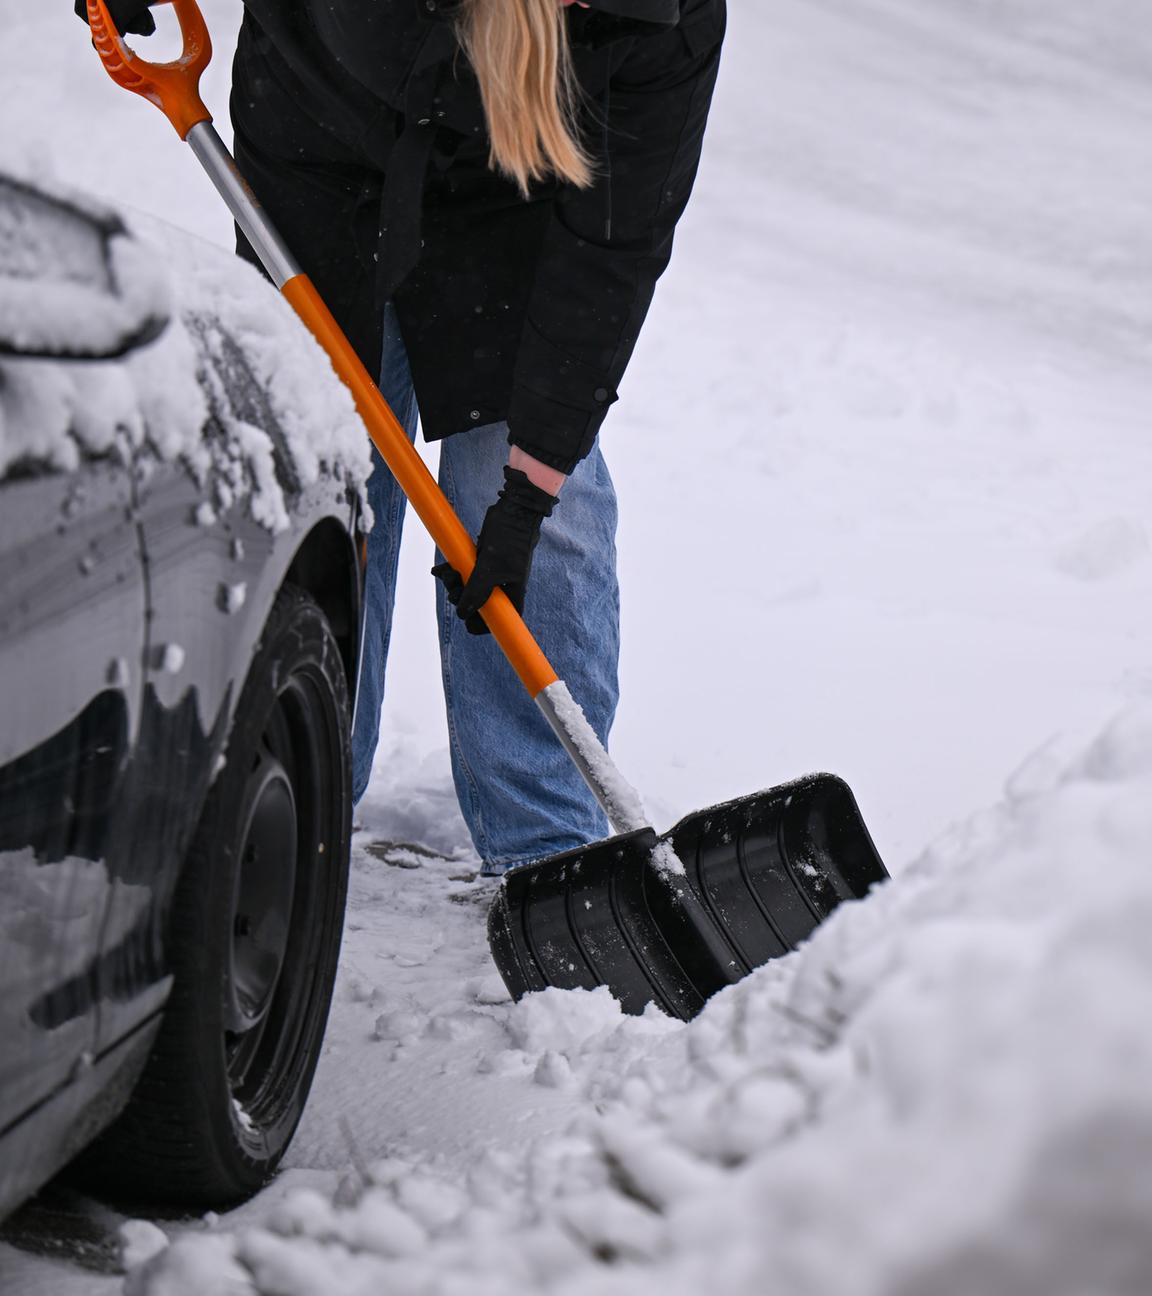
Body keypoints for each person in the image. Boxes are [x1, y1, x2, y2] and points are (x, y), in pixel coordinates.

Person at [80, 0, 726, 874]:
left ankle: (548, 854)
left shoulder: (666, 21)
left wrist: (528, 491)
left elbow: (615, 250)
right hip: (320, 146)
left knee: (537, 510)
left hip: (517, 194)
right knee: (328, 478)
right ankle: (295, 794)